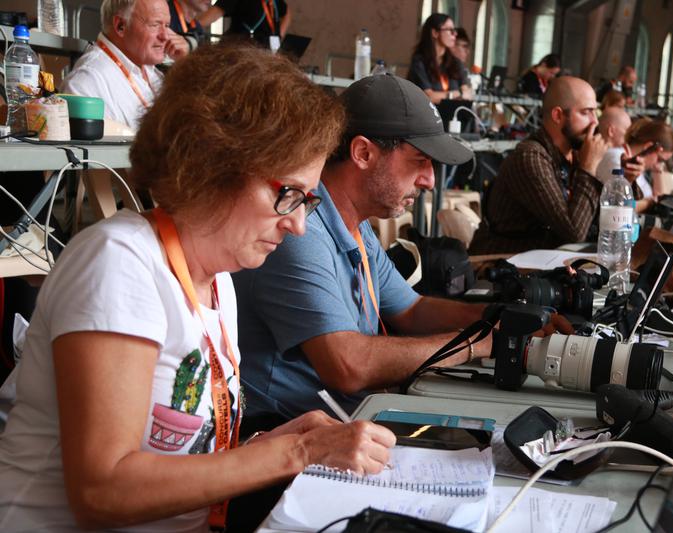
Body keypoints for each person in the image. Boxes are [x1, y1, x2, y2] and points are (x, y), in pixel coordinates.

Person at [0, 45, 395, 532]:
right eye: (287, 194)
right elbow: (103, 490)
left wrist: (264, 448)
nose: (297, 225)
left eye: (307, 201)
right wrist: (298, 451)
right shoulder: (118, 263)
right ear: (213, 166)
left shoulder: (218, 281)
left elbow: (182, 460)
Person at [233, 74, 491, 433]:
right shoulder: (299, 231)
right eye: (420, 160)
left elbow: (413, 311)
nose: (430, 180)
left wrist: (495, 318)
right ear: (363, 153)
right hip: (284, 434)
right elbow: (347, 365)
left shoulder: (355, 224)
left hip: (344, 423)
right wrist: (474, 343)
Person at [468, 76, 610, 255]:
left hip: (546, 263)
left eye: (595, 112)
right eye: (585, 112)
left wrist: (624, 176)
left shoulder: (574, 155)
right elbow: (574, 232)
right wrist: (588, 168)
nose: (595, 122)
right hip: (503, 265)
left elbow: (597, 222)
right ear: (558, 115)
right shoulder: (530, 156)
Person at [60, 0, 189, 130]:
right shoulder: (87, 82)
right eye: (155, 25)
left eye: (167, 25)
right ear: (120, 26)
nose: (165, 36)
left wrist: (185, 65)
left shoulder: (151, 71)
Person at [595, 117, 673, 213]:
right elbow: (620, 206)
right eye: (659, 159)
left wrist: (657, 172)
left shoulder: (636, 165)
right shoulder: (616, 159)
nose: (659, 165)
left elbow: (659, 197)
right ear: (648, 147)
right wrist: (649, 203)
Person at [408, 13, 473, 104]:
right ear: (435, 33)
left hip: (453, 116)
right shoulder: (419, 61)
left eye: (454, 30)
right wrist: (455, 94)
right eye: (450, 30)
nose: (455, 34)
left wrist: (460, 94)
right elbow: (428, 97)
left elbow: (468, 94)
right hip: (429, 116)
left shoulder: (455, 62)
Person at [198, 0, 291, 50]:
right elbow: (213, 14)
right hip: (239, 50)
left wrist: (278, 36)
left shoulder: (276, 1)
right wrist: (189, 27)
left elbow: (287, 13)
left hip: (266, 52)